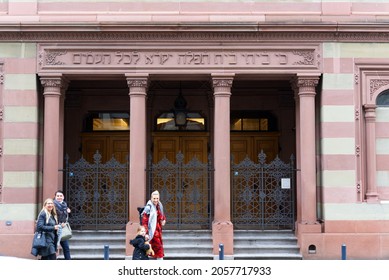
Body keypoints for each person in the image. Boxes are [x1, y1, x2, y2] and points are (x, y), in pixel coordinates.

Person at [141, 190, 166, 260]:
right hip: (152, 231)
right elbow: (144, 221)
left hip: (158, 230)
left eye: (157, 198)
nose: (156, 200)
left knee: (154, 249)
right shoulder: (148, 207)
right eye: (154, 198)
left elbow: (162, 215)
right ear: (151, 198)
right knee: (158, 248)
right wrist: (145, 233)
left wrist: (163, 220)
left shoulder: (159, 205)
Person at [53, 190, 72, 260]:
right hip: (54, 230)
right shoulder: (52, 205)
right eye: (58, 196)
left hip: (62, 230)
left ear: (63, 197)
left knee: (66, 248)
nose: (59, 197)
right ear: (55, 197)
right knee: (53, 249)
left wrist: (69, 212)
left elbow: (67, 217)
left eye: (61, 196)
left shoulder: (65, 205)